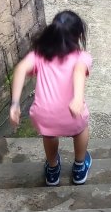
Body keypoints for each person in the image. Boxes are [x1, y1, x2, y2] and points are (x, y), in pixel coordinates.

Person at [9, 10, 93, 186]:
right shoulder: (82, 57)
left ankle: (53, 170)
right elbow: (78, 70)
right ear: (78, 36)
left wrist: (15, 103)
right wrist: (77, 98)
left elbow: (20, 69)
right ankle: (79, 167)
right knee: (81, 130)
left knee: (49, 135)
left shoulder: (38, 55)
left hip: (44, 115)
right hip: (72, 115)